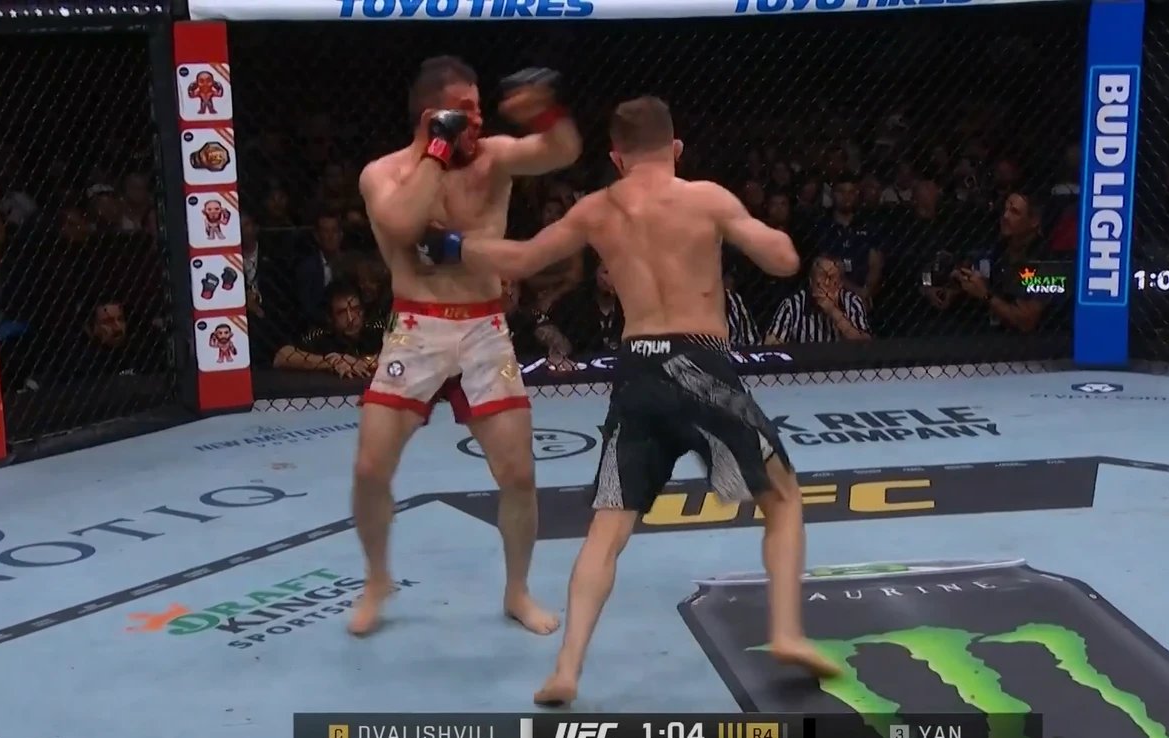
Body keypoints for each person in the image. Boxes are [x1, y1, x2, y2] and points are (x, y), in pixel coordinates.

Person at [420, 96, 840, 705]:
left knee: (607, 529)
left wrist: (453, 247)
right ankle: (786, 633)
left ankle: (567, 669)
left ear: (617, 159)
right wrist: (755, 231)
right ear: (676, 149)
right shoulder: (705, 197)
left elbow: (522, 258)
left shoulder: (598, 208)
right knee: (782, 497)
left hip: (636, 371)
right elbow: (782, 260)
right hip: (700, 364)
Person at [350, 56, 584, 637]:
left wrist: (546, 111)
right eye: (467, 110)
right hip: (417, 328)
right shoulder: (382, 173)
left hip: (483, 329)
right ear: (433, 116)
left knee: (519, 475)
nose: (480, 119)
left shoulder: (494, 159)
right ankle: (377, 580)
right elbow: (402, 227)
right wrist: (436, 149)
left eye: (480, 107)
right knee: (371, 469)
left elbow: (563, 151)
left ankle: (517, 590)